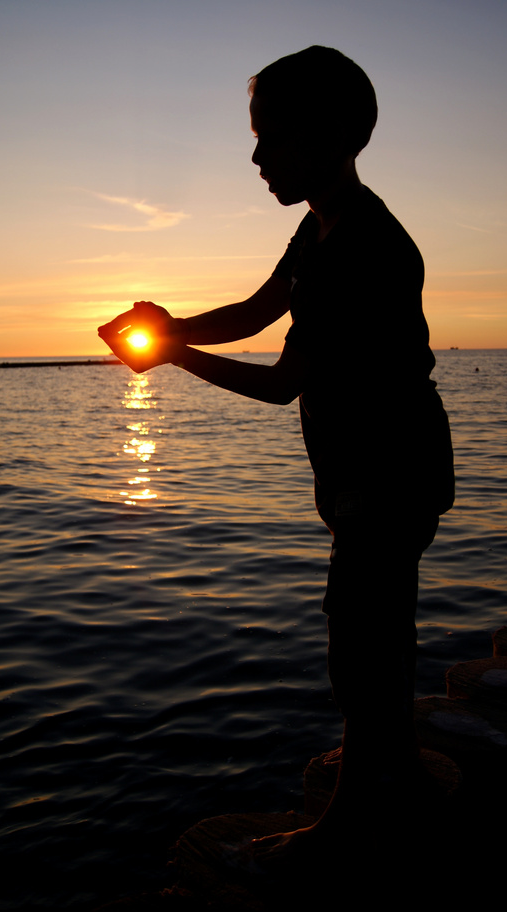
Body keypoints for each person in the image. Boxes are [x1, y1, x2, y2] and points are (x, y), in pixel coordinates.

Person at [98, 45, 454, 868]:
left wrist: (170, 357)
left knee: (358, 640)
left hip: (387, 472)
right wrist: (173, 322)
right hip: (367, 470)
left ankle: (344, 825)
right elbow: (258, 311)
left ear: (330, 134)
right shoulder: (319, 225)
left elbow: (280, 384)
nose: (255, 157)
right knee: (375, 631)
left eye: (270, 138)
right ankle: (390, 765)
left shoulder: (364, 248)